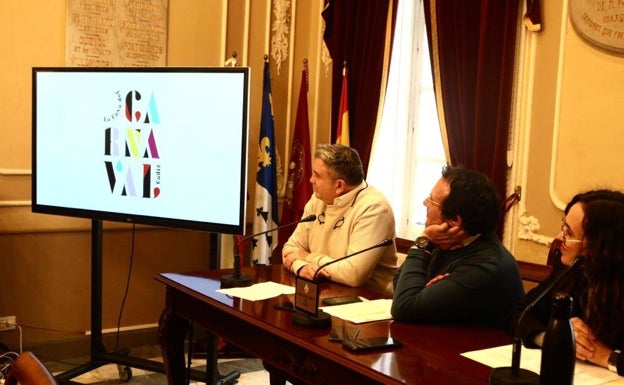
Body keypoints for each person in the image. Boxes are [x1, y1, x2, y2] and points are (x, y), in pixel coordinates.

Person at [505, 189, 624, 376]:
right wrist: (554, 338)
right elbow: (519, 314)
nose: (559, 238)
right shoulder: (571, 269)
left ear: (599, 244)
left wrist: (605, 356)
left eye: (568, 232)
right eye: (563, 227)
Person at [391, 165, 524, 326]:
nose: (424, 203)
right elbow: (400, 283)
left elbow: (403, 307)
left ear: (454, 220)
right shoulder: (445, 240)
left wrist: (423, 241)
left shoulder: (486, 265)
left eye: (431, 200)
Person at [282, 144, 398, 296]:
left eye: (317, 175)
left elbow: (353, 274)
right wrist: (301, 267)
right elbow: (290, 249)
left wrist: (308, 257)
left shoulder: (374, 208)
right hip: (323, 293)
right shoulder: (318, 199)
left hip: (367, 303)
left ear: (339, 186)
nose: (311, 180)